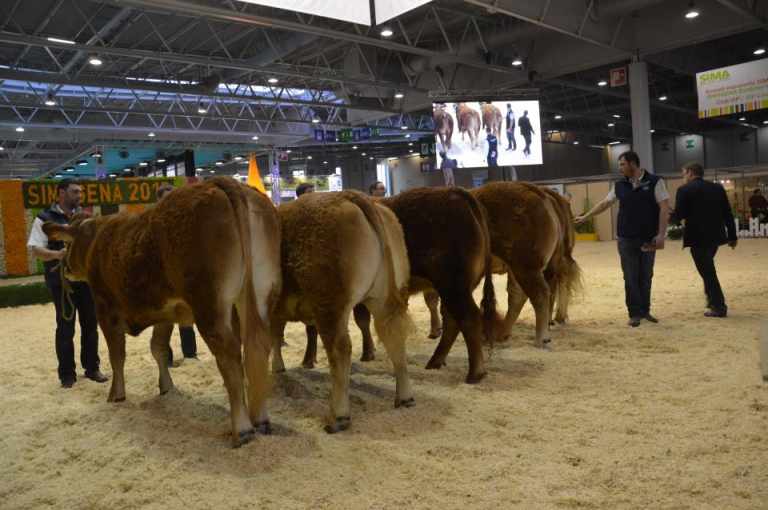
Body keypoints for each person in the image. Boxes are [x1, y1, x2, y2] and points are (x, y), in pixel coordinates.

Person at [27, 179, 108, 388]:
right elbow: (36, 249)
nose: (79, 195)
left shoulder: (86, 219)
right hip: (61, 281)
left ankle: (92, 368)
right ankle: (67, 375)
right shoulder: (44, 218)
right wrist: (57, 254)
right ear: (61, 193)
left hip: (85, 280)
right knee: (65, 327)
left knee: (90, 324)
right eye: (74, 192)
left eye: (80, 192)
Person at [575, 151, 670, 327]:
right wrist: (586, 217)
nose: (620, 168)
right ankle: (634, 313)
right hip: (626, 239)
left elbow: (664, 208)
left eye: (622, 164)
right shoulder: (619, 185)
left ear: (633, 164)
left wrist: (661, 235)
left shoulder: (656, 181)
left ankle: (645, 311)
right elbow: (605, 203)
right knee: (630, 277)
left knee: (646, 275)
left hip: (649, 239)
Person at [670, 163, 737, 317]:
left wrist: (670, 216)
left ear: (690, 172)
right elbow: (727, 213)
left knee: (708, 272)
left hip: (697, 238)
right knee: (707, 267)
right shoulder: (717, 188)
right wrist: (732, 236)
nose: (683, 177)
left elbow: (679, 215)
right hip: (715, 237)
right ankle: (711, 300)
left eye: (683, 174)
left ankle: (719, 306)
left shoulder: (684, 190)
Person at [156, 183, 198, 365]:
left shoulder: (185, 221)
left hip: (182, 275)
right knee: (162, 320)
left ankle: (190, 355)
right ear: (159, 200)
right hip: (161, 276)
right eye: (166, 197)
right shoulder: (154, 222)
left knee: (185, 315)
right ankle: (166, 359)